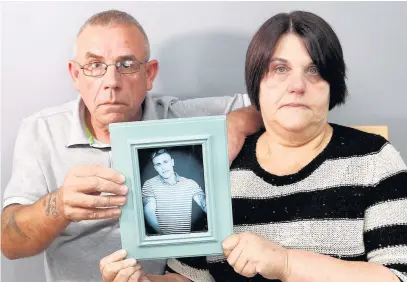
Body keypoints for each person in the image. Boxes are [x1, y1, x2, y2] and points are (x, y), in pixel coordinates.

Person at [100, 10, 407, 282]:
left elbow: (396, 276)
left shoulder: (375, 160)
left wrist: (286, 264)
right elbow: (191, 277)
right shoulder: (222, 163)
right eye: (280, 69)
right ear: (256, 85)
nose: (297, 86)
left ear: (333, 84)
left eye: (314, 70)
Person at [0, 9, 263, 282]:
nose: (111, 82)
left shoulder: (182, 119)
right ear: (75, 75)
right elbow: (10, 244)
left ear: (149, 74)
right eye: (94, 65)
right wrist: (60, 205)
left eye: (126, 65)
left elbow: (275, 103)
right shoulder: (43, 131)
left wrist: (237, 122)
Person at [142, 149, 207, 235]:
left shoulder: (190, 183)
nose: (163, 167)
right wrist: (166, 239)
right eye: (158, 164)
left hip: (186, 239)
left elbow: (204, 203)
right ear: (155, 168)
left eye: (165, 162)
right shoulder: (149, 184)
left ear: (172, 162)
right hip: (162, 241)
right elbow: (149, 212)